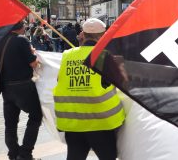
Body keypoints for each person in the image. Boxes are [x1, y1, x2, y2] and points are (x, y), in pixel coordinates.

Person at [53, 18, 125, 160]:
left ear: (83, 35)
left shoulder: (67, 55)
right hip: (101, 121)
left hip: (72, 121)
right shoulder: (104, 55)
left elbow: (59, 80)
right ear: (103, 36)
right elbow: (121, 81)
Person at [0, 20, 42, 160]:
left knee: (10, 123)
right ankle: (25, 153)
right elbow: (33, 63)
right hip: (23, 86)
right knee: (35, 116)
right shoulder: (21, 40)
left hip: (6, 88)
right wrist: (34, 55)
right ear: (21, 28)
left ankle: (13, 154)